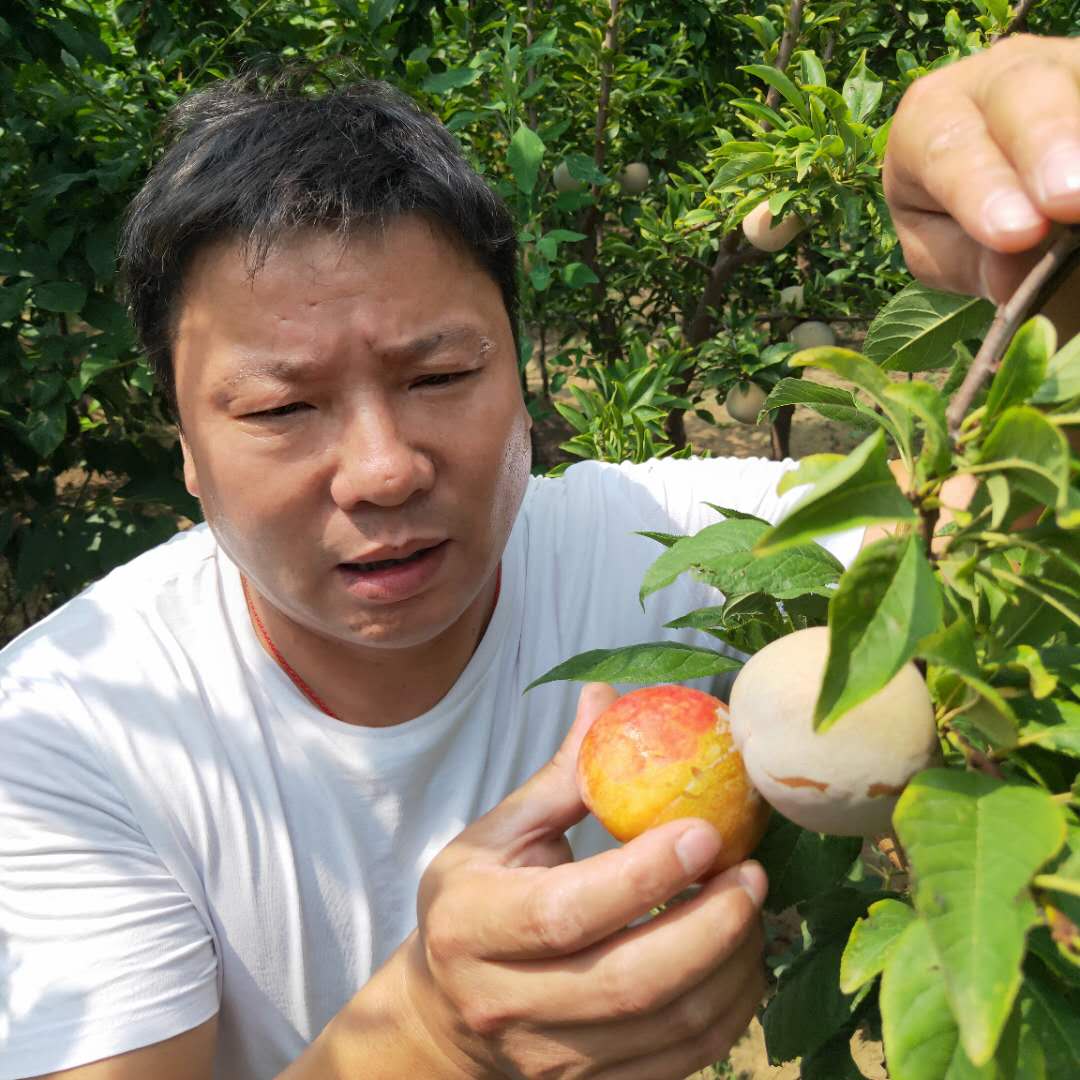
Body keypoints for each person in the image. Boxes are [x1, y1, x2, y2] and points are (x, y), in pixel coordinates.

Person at [1, 33, 1077, 1080]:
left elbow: (987, 542)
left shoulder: (677, 551)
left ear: (521, 380)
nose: (382, 469)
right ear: (186, 449)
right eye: (282, 405)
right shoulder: (66, 729)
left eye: (439, 378)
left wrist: (1047, 294)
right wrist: (430, 1041)